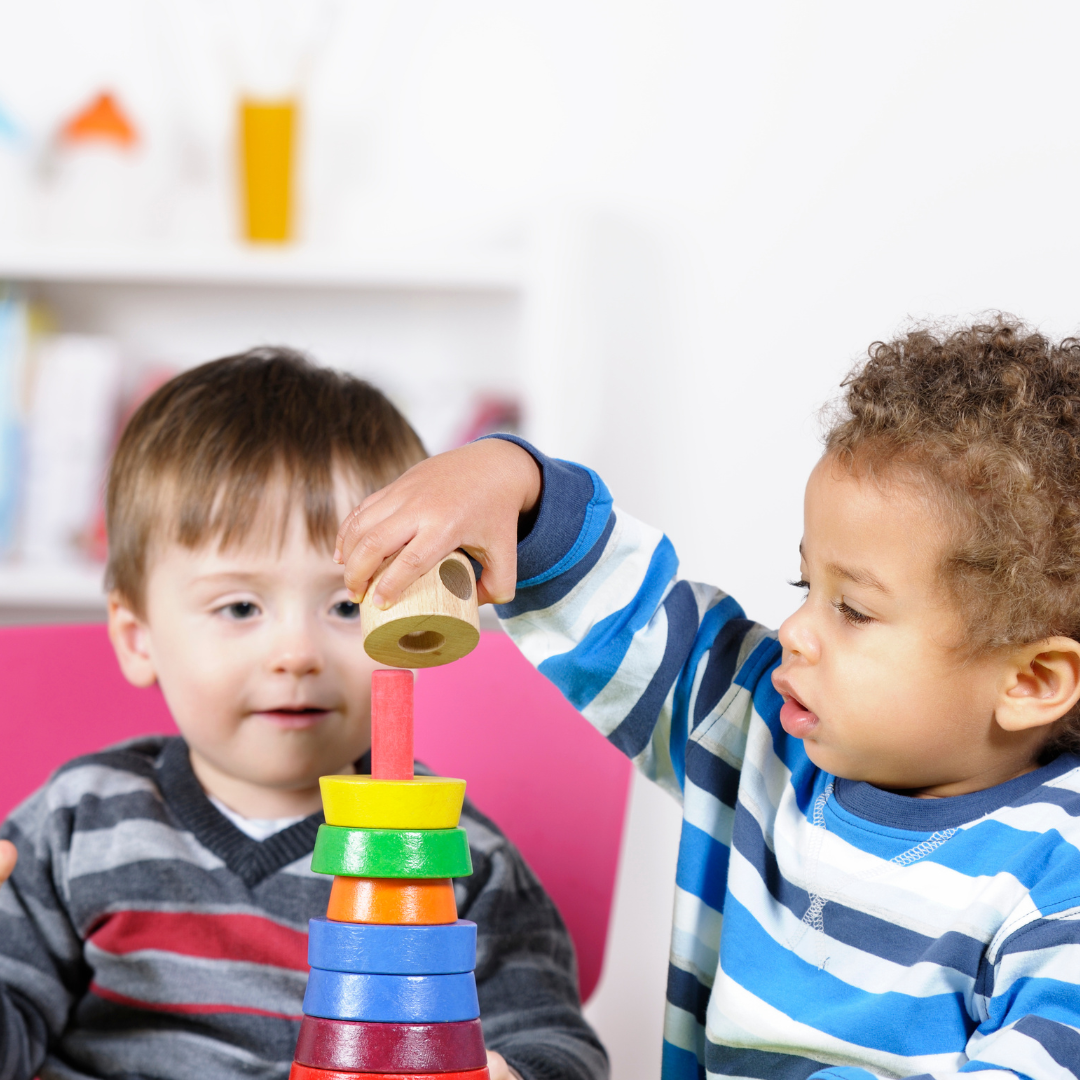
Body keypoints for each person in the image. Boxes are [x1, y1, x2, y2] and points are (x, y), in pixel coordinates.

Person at [336, 318, 1080, 1080]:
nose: (794, 631)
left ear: (1030, 682)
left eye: (852, 610)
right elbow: (625, 619)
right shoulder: (759, 728)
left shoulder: (1060, 882)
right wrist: (511, 483)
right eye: (805, 587)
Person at [0, 348, 608, 1080]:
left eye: (348, 605)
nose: (296, 652)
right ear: (139, 640)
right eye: (240, 606)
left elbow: (559, 1048)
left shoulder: (452, 855)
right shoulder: (77, 825)